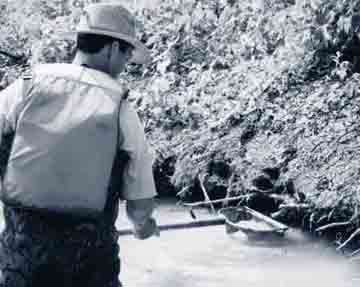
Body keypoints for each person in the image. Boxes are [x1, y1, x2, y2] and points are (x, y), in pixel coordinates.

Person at [0, 3, 158, 287]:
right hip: (90, 267)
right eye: (127, 55)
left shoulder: (26, 84)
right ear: (112, 49)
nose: (126, 66)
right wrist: (142, 227)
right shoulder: (120, 106)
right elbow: (141, 200)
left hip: (21, 262)